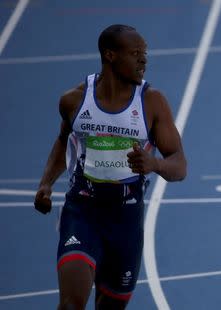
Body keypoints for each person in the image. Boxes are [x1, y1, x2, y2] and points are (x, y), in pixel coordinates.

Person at [34, 24, 187, 310]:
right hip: (83, 212)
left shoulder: (152, 103)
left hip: (125, 219)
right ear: (110, 55)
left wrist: (154, 164)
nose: (144, 60)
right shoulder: (74, 101)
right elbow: (62, 141)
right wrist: (46, 183)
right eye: (136, 53)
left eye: (145, 53)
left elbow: (180, 165)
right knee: (71, 305)